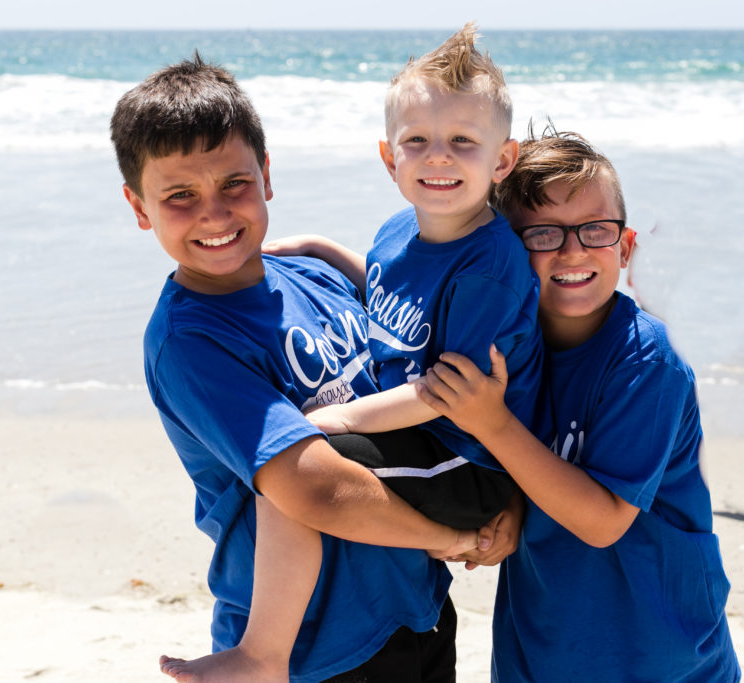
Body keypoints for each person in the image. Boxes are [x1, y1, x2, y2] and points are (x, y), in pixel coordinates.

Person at [110, 54, 514, 683]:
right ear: (140, 208)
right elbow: (312, 487)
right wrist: (457, 538)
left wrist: (499, 511)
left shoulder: (314, 277)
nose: (215, 214)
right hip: (315, 651)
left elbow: (404, 323)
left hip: (417, 608)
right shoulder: (191, 342)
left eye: (234, 184)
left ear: (266, 176)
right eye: (180, 196)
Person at [245, 21, 544, 680]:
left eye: (463, 142)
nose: (438, 158)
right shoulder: (397, 229)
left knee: (293, 465)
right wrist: (326, 248)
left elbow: (443, 393)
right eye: (418, 141)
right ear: (390, 158)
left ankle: (262, 650)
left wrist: (342, 419)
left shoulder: (490, 264)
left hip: (465, 459)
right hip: (419, 440)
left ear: (502, 160)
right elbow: (389, 296)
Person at [418, 125, 741, 681]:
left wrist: (492, 424)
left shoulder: (646, 361)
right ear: (504, 253)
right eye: (541, 234)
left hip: (659, 654)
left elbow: (603, 520)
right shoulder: (507, 351)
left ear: (626, 247)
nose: (572, 250)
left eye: (595, 230)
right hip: (540, 647)